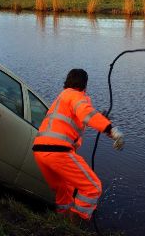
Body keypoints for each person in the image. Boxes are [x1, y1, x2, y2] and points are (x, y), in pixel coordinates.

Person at [32, 68, 124, 221]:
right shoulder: (77, 96)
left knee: (65, 191)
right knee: (92, 188)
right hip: (57, 151)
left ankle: (61, 225)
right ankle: (75, 227)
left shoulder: (62, 97)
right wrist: (111, 130)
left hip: (40, 151)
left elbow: (79, 119)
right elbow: (86, 113)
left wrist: (100, 120)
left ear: (67, 81)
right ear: (85, 85)